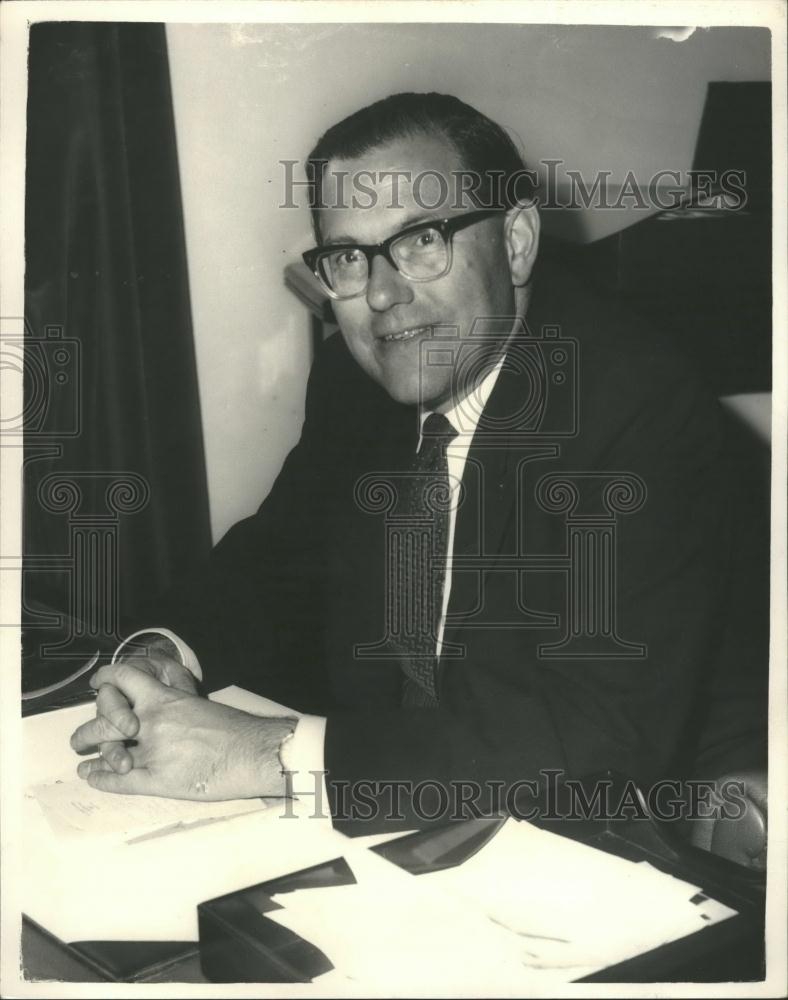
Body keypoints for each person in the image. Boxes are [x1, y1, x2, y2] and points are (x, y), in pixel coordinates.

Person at [70, 92, 768, 833]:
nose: (381, 294)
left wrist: (266, 754)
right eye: (349, 256)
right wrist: (160, 655)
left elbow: (597, 742)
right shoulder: (358, 377)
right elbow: (277, 562)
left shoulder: (636, 405)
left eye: (422, 241)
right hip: (402, 815)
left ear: (519, 241)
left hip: (594, 836)